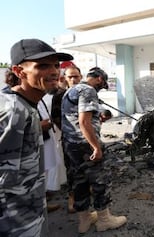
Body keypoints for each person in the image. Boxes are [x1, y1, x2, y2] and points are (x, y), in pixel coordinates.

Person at [0, 38, 73, 237]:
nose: (54, 71)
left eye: (56, 65)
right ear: (19, 71)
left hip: (30, 216)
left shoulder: (27, 105)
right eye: (42, 65)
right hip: (14, 224)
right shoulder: (12, 109)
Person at [61, 67, 127, 233]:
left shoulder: (70, 91)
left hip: (71, 145)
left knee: (79, 182)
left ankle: (84, 221)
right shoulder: (88, 90)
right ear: (99, 79)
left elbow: (75, 120)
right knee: (99, 182)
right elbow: (84, 123)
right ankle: (104, 220)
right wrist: (96, 147)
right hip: (86, 146)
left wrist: (98, 119)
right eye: (102, 84)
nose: (101, 87)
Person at [51, 63, 82, 214]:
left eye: (76, 76)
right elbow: (56, 118)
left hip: (87, 140)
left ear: (81, 77)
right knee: (72, 170)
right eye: (70, 77)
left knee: (88, 169)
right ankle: (72, 199)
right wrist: (71, 132)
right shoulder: (60, 95)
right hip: (70, 141)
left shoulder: (84, 93)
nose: (74, 79)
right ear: (65, 78)